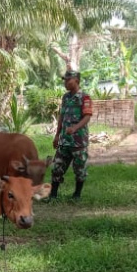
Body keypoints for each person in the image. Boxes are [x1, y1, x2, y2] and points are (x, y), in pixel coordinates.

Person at [50, 70, 92, 200]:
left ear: (77, 81)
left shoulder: (85, 97)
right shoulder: (65, 97)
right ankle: (53, 195)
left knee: (79, 169)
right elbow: (61, 117)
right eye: (64, 80)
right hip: (64, 141)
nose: (65, 82)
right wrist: (57, 135)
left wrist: (75, 128)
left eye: (68, 80)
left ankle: (77, 195)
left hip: (78, 141)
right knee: (57, 166)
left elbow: (87, 116)